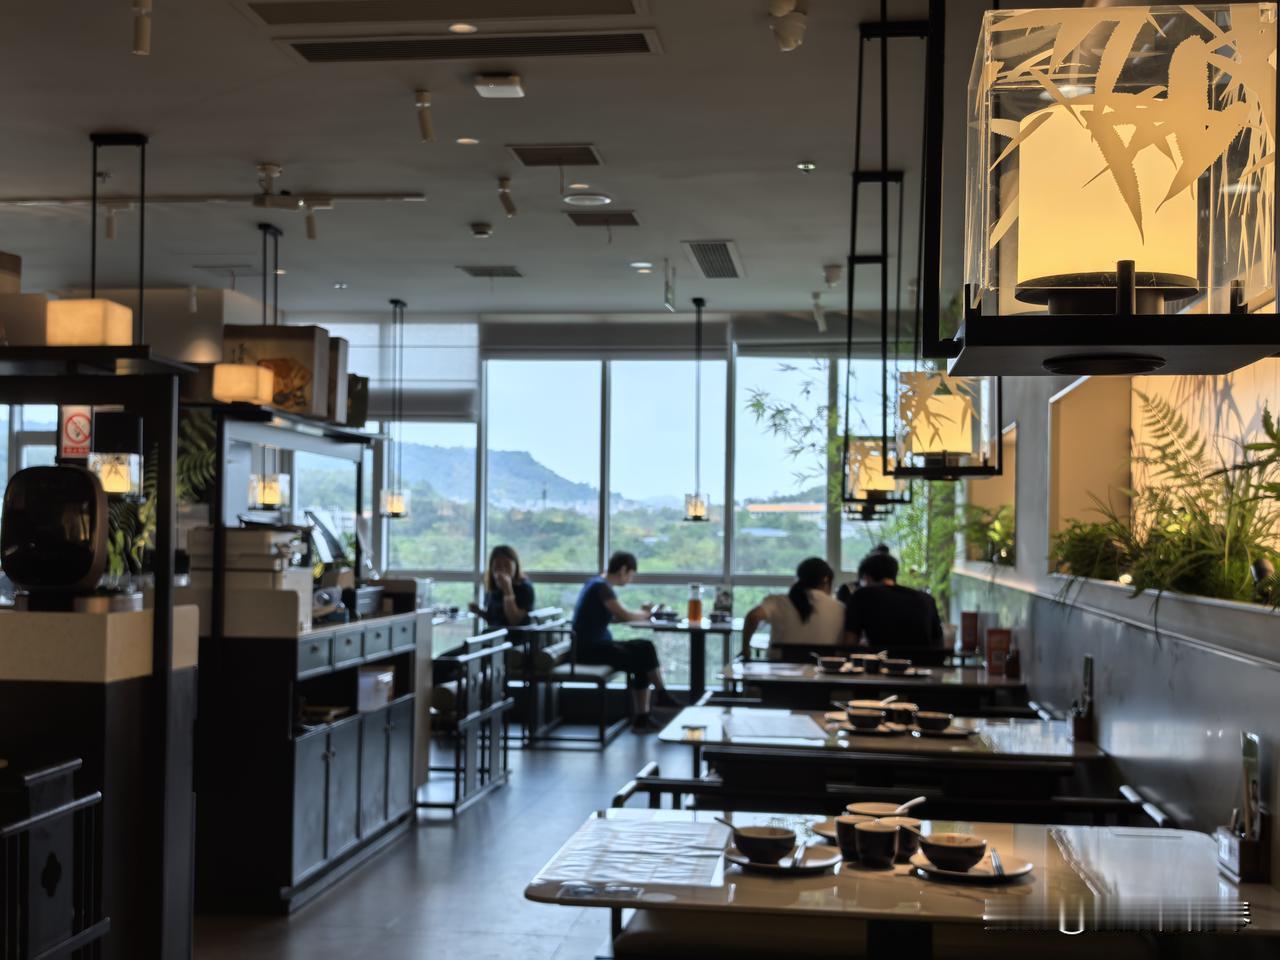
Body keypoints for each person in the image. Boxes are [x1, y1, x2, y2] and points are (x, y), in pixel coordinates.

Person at [572, 551, 680, 731]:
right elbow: (623, 615)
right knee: (643, 655)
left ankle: (648, 712)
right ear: (623, 570)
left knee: (644, 648)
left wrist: (642, 614)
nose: (630, 579)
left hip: (592, 646)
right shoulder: (602, 587)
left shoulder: (596, 583)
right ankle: (655, 703)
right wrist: (647, 614)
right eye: (630, 575)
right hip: (590, 650)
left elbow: (617, 616)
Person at [742, 557, 845, 661]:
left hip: (778, 669)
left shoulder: (778, 601)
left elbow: (753, 616)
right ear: (826, 580)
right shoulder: (840, 609)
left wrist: (746, 650)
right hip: (822, 670)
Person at [843, 550, 944, 649]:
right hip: (924, 660)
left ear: (866, 577)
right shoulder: (927, 599)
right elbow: (939, 644)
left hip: (883, 659)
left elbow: (849, 644)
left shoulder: (861, 595)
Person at [469, 544, 535, 629]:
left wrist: (508, 590)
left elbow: (514, 621)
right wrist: (479, 612)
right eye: (497, 566)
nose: (502, 570)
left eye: (507, 565)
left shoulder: (525, 588)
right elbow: (494, 619)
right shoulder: (493, 588)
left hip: (514, 635)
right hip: (495, 634)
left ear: (515, 565)